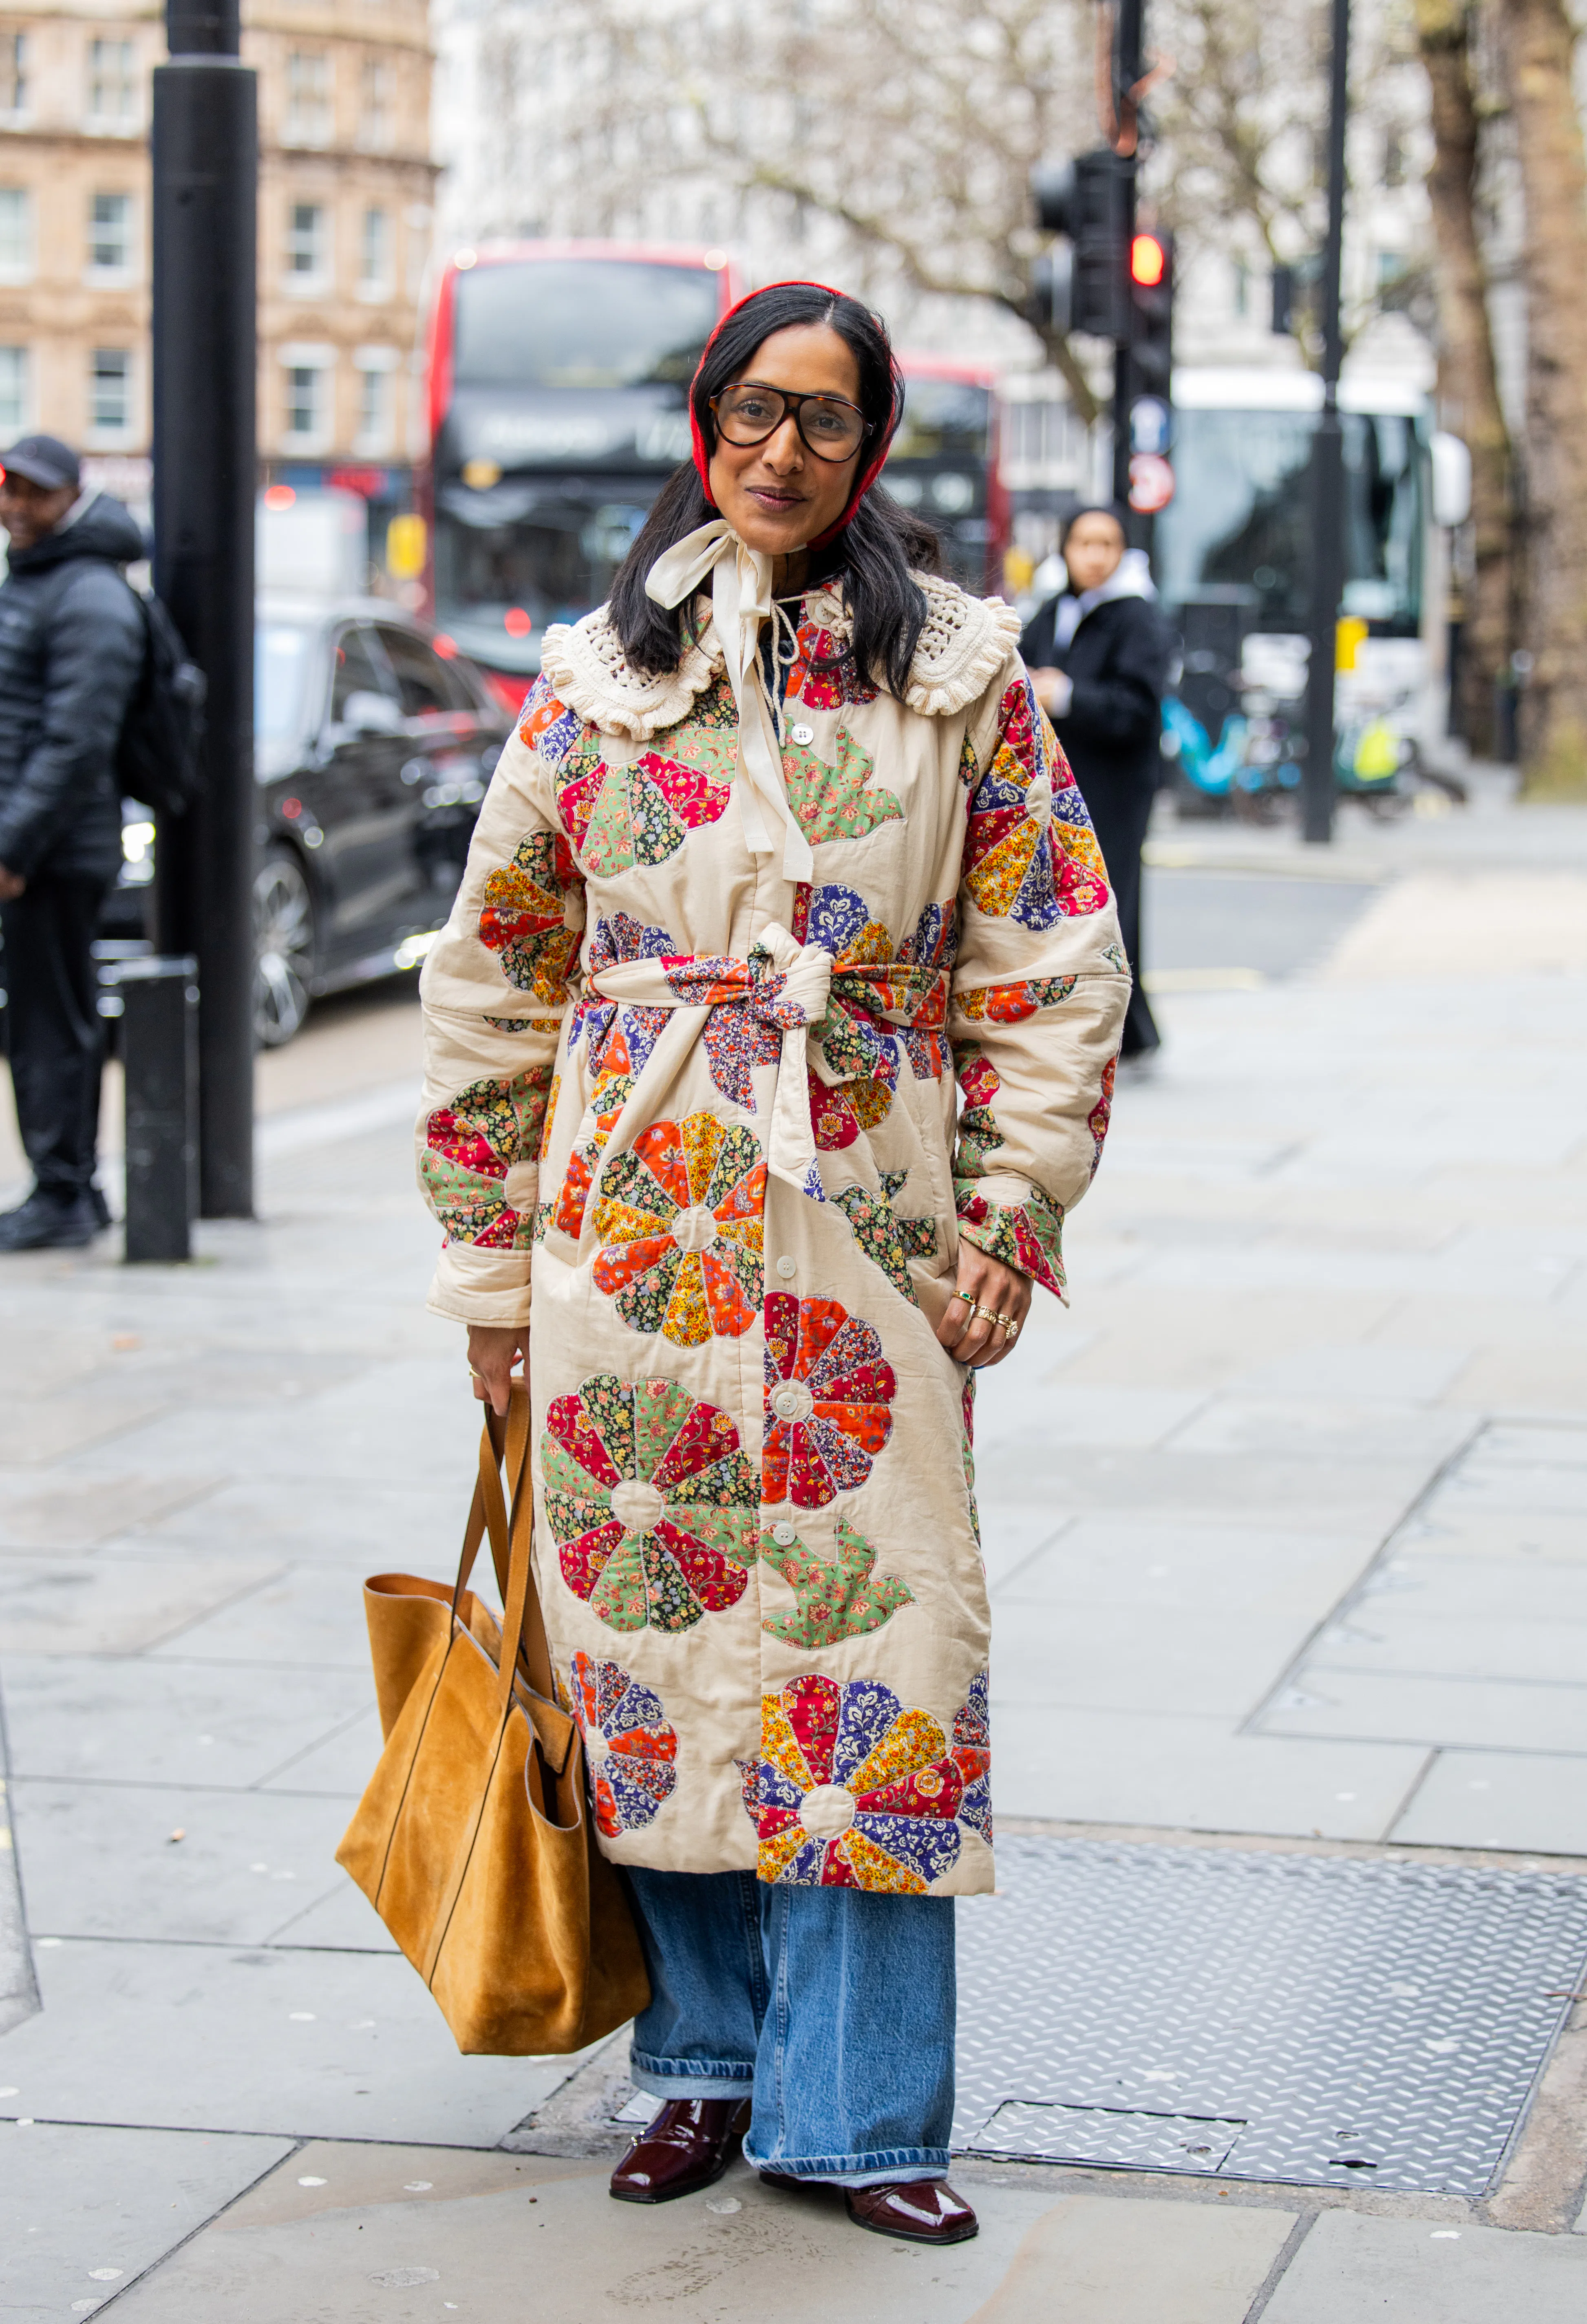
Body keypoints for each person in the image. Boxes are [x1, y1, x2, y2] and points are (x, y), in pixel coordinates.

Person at [416, 283, 1128, 2245]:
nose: (783, 447)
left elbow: (1055, 967)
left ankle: (863, 2110)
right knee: (654, 1644)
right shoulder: (594, 685)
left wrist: (1010, 1215)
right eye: (752, 407)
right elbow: (491, 985)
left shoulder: (962, 680)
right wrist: (490, 1281)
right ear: (704, 424)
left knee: (873, 1656)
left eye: (826, 415)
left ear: (871, 442)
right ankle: (704, 2067)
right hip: (633, 1238)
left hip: (869, 1239)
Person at [0, 434, 146, 1250]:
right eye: (6, 487)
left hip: (56, 850)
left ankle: (65, 1192)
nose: (16, 505)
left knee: (53, 1023)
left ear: (71, 496)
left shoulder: (86, 594)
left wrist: (14, 848)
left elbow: (75, 740)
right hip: (40, 843)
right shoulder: (42, 578)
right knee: (42, 1018)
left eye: (34, 492)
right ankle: (63, 1187)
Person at [1022, 503, 1170, 1062]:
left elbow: (1138, 710)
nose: (1094, 555)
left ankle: (1120, 1030)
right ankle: (1113, 1029)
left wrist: (1070, 697)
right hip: (1061, 784)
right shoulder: (1055, 608)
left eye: (1107, 544)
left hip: (1115, 786)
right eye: (1084, 543)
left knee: (1109, 906)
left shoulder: (1136, 618)